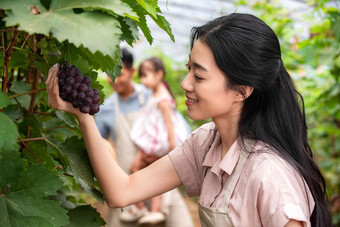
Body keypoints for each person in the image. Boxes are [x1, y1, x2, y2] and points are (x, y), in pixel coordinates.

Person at [46, 13, 332, 227]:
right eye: (188, 69)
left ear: (241, 91)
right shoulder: (206, 143)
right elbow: (122, 192)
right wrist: (84, 117)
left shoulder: (270, 176)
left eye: (198, 75)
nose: (184, 83)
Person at [93, 48, 193, 227]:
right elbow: (98, 145)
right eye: (109, 74)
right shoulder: (105, 108)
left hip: (161, 180)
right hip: (127, 186)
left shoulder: (151, 95)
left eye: (119, 73)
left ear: (132, 72)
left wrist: (164, 154)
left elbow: (180, 129)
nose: (113, 79)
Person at [129, 57, 191, 225]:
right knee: (146, 173)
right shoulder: (157, 93)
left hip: (157, 143)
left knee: (140, 170)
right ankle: (144, 207)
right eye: (141, 76)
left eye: (146, 75)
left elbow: (169, 126)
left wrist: (172, 148)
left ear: (159, 74)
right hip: (154, 141)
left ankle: (145, 207)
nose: (143, 80)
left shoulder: (162, 98)